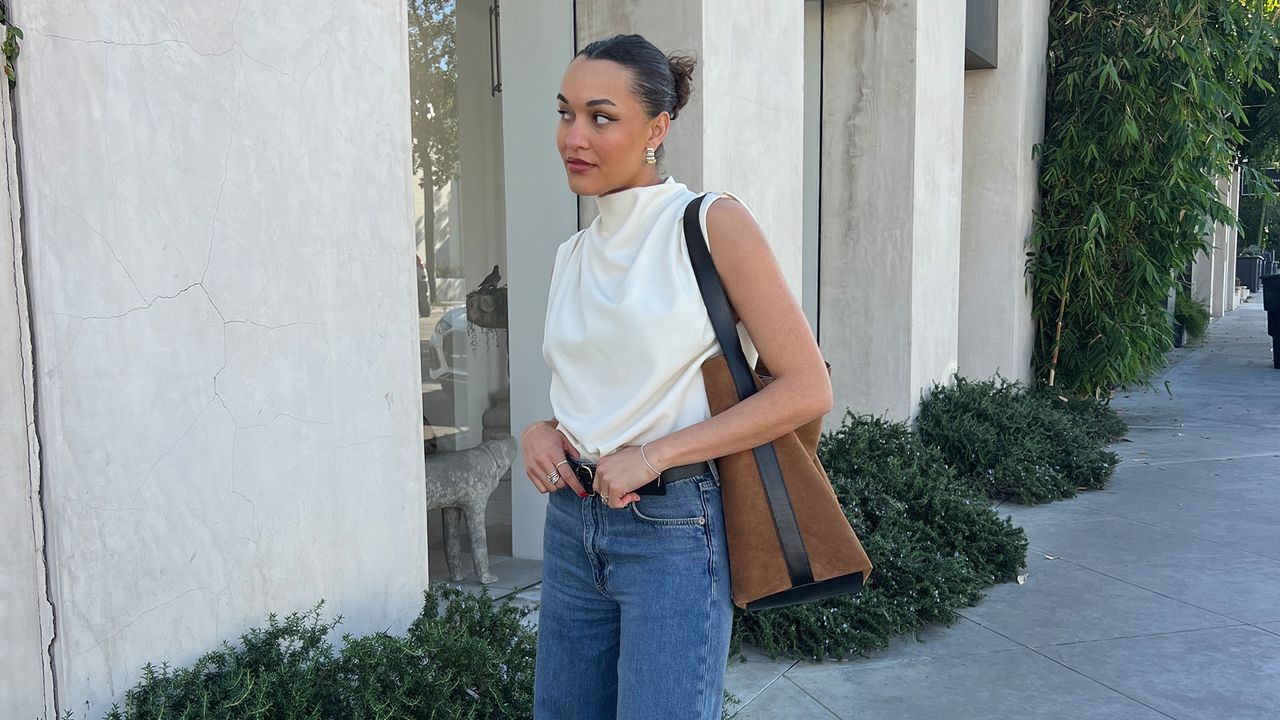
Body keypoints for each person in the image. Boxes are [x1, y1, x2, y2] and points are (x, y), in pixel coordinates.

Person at [521, 33, 833, 720]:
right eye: (565, 112)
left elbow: (806, 386)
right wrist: (542, 431)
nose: (574, 135)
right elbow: (603, 390)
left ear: (656, 129)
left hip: (673, 529)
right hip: (573, 524)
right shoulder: (571, 255)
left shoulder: (708, 222)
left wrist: (654, 454)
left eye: (601, 117)